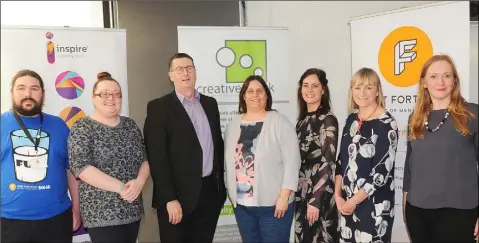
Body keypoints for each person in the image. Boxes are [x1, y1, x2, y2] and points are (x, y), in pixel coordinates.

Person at [143, 53, 226, 243]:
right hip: (176, 198)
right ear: (170, 75)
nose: (185, 73)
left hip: (209, 194)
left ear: (195, 72)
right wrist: (169, 199)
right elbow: (157, 157)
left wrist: (220, 190)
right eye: (179, 69)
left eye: (189, 68)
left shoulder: (210, 104)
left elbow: (217, 145)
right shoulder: (158, 107)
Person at [402, 54, 478, 242]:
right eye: (433, 76)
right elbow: (410, 165)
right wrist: (406, 204)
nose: (441, 81)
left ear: (454, 81)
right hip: (418, 212)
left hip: (460, 212)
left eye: (447, 75)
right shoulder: (415, 118)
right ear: (424, 83)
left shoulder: (472, 114)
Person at [68, 72, 150, 243]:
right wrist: (122, 188)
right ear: (93, 98)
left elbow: (145, 159)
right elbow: (81, 168)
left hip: (131, 209)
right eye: (104, 94)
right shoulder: (83, 127)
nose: (111, 99)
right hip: (100, 214)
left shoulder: (130, 125)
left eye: (116, 94)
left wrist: (140, 183)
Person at [1, 69, 81, 243]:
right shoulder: (1, 124)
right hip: (9, 220)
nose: (27, 94)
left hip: (56, 219)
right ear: (12, 93)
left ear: (43, 94)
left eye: (34, 89)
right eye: (21, 88)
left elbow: (72, 170)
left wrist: (77, 208)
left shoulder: (59, 125)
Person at [224, 75, 301, 242]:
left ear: (267, 95)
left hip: (274, 206)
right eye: (250, 91)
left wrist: (284, 198)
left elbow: (292, 162)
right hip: (243, 207)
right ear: (243, 96)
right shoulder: (233, 125)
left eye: (260, 91)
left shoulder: (279, 122)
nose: (255, 95)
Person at [335, 67, 398, 243]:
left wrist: (354, 201)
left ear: (377, 90)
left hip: (374, 206)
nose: (362, 92)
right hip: (347, 205)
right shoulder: (351, 120)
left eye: (368, 87)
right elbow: (342, 160)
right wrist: (337, 195)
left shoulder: (386, 123)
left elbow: (381, 173)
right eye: (357, 87)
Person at [294, 68, 338, 243]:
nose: (309, 90)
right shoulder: (302, 121)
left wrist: (315, 200)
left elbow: (329, 162)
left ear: (323, 90)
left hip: (320, 195)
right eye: (305, 85)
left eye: (315, 85)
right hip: (302, 194)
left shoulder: (328, 119)